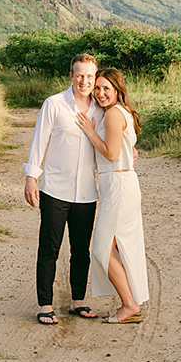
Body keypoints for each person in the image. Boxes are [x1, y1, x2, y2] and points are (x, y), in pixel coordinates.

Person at [23, 53, 103, 324]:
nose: (84, 81)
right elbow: (39, 142)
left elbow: (112, 141)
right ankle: (45, 304)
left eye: (89, 76)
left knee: (81, 251)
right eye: (79, 75)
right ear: (71, 76)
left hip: (87, 193)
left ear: (95, 77)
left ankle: (77, 301)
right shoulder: (54, 104)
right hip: (54, 190)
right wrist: (31, 177)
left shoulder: (100, 109)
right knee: (49, 248)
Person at [76, 67, 149, 324]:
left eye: (106, 88)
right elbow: (125, 149)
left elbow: (111, 153)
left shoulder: (113, 115)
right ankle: (130, 302)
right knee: (118, 245)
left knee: (101, 249)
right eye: (97, 88)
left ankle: (129, 305)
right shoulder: (118, 112)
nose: (100, 93)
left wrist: (89, 131)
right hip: (119, 183)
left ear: (117, 90)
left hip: (118, 185)